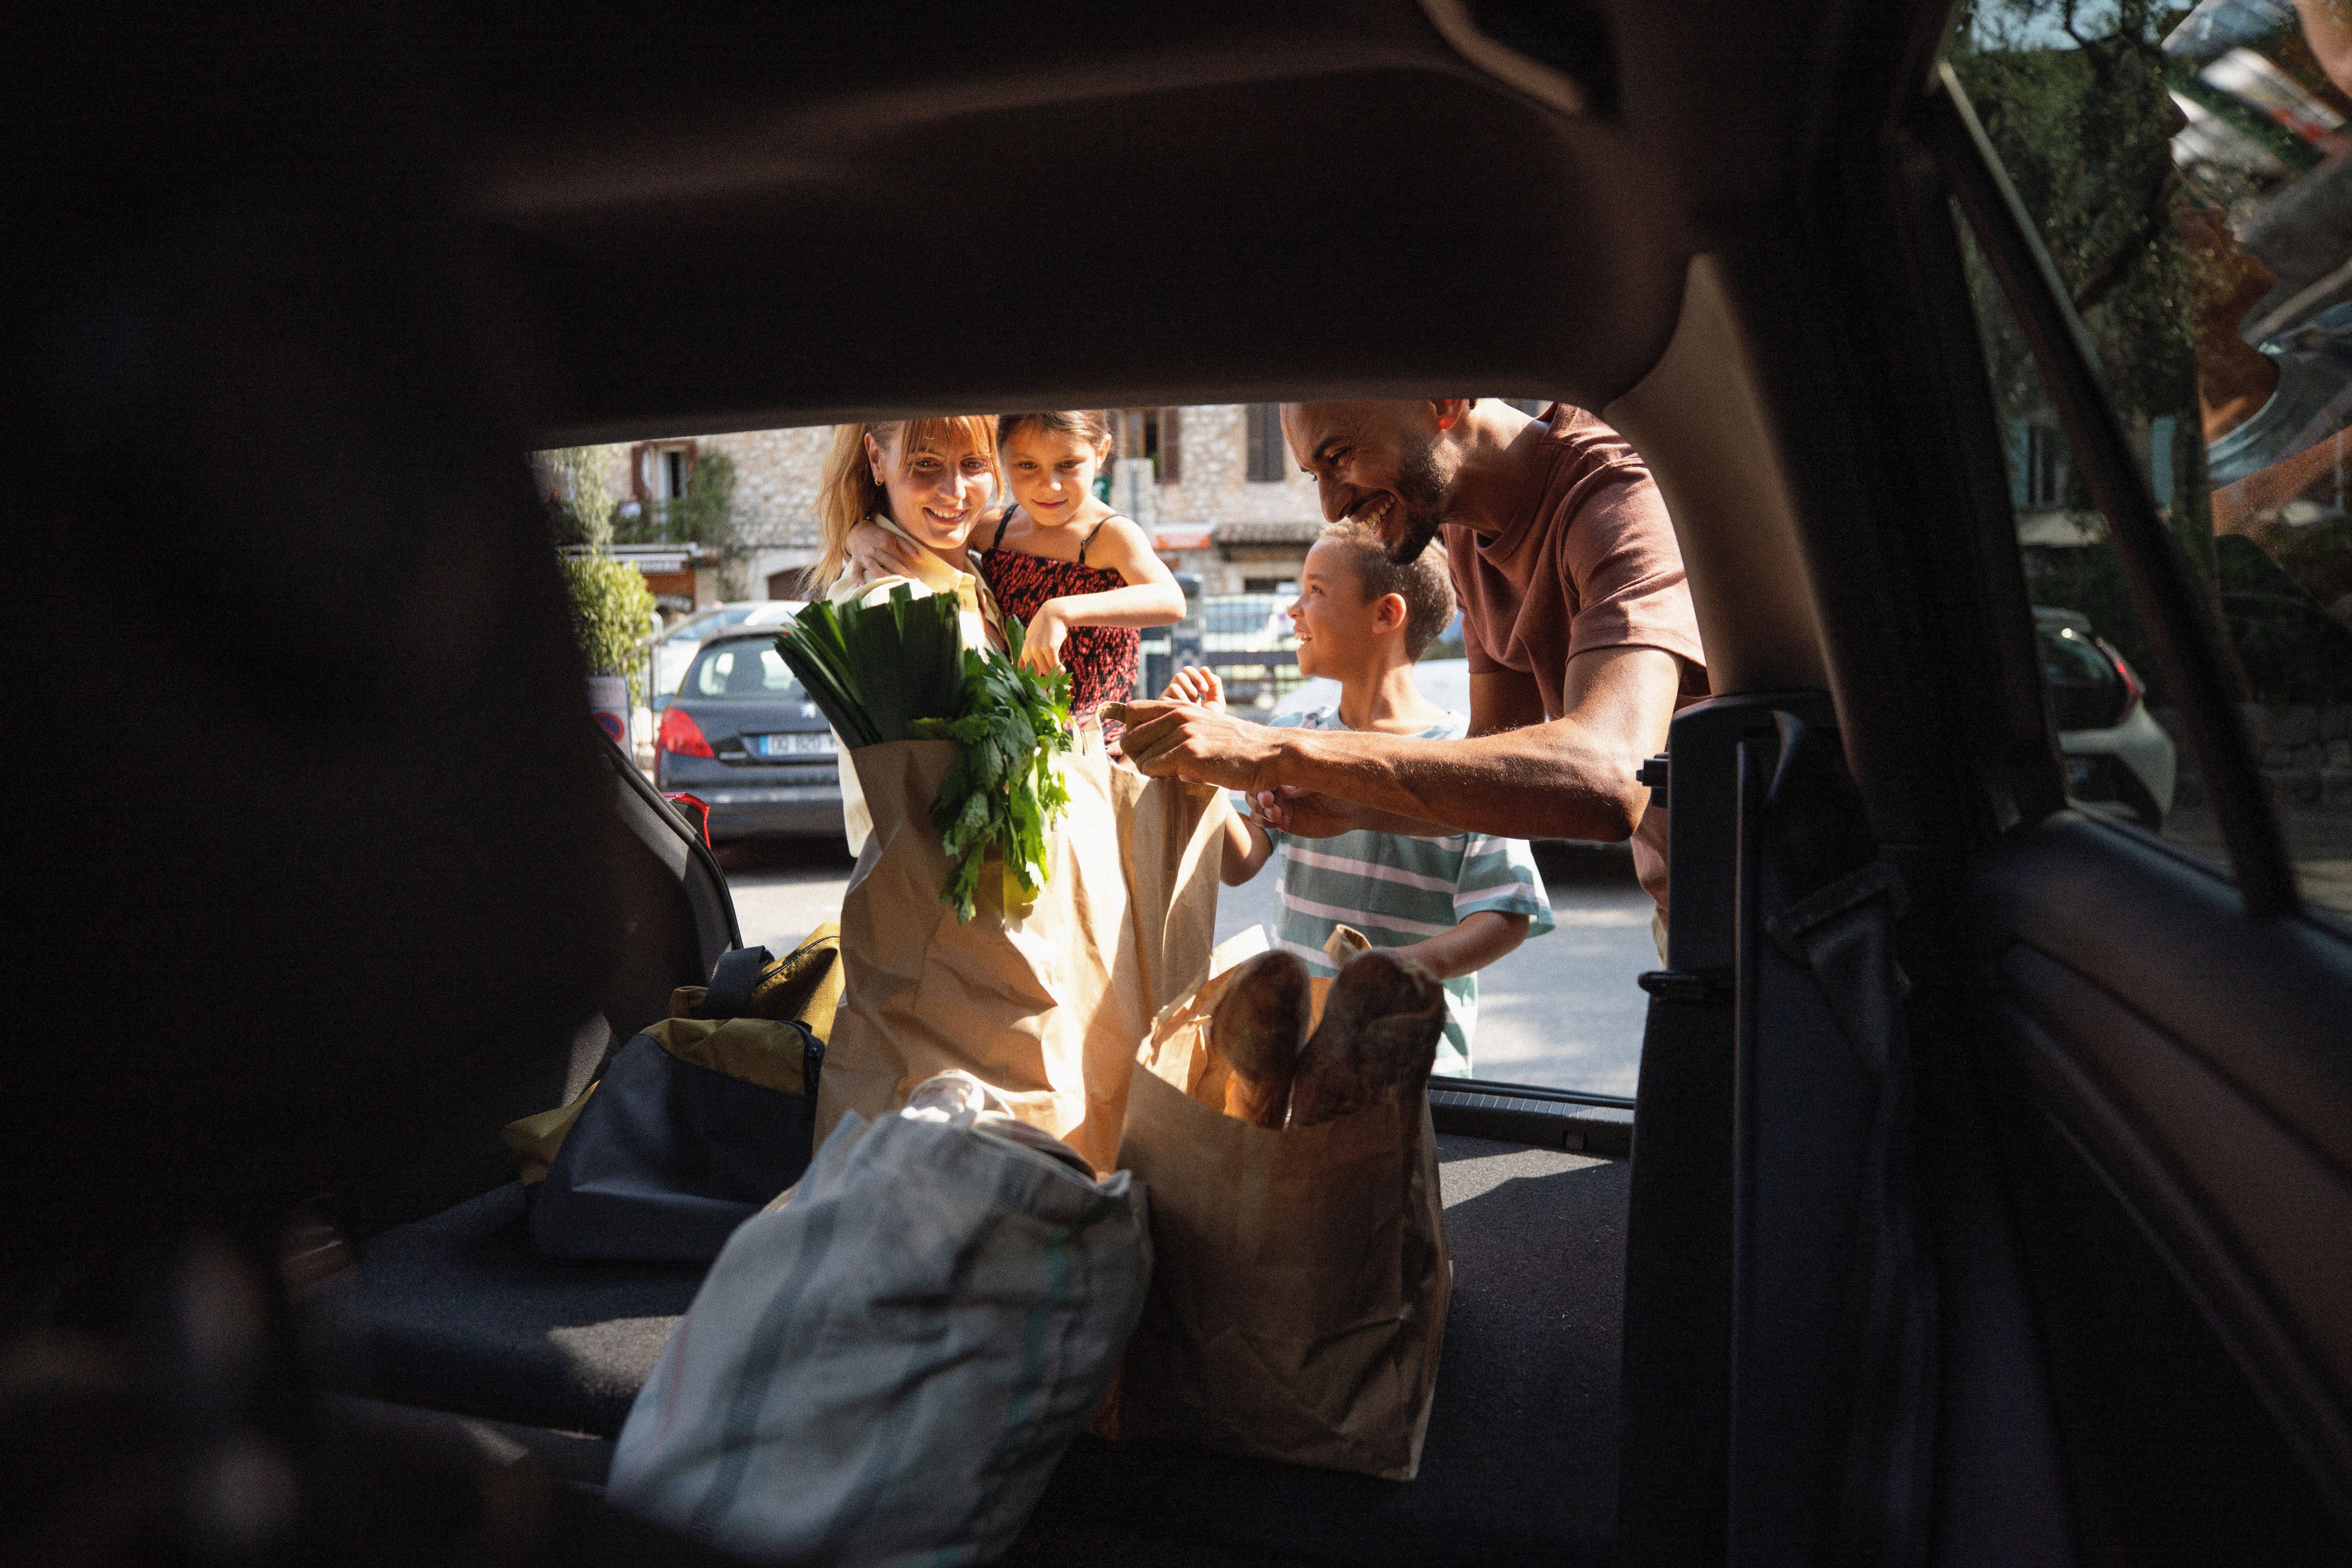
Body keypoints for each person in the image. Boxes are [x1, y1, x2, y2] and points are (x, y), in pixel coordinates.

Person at [1110, 398, 1707, 955]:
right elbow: (1491, 791)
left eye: (1340, 457)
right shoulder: (1467, 536)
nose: (1331, 507)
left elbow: (1609, 780)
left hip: (1776, 915)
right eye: (1313, 476)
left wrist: (1279, 751)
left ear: (1445, 399)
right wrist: (1356, 807)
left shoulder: (1617, 499)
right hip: (1686, 914)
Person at [1174, 519, 1552, 1077]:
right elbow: (1239, 863)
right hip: (1304, 1048)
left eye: (1317, 591)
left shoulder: (1465, 757)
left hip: (1417, 1062)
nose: (1294, 609)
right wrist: (1208, 761)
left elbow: (1507, 912)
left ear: (1386, 614)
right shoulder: (1292, 734)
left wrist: (1405, 967)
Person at [845, 411, 1186, 732]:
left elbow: (1171, 600)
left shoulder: (1109, 535)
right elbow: (927, 529)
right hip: (1027, 728)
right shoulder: (995, 529)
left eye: (1067, 465)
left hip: (1099, 730)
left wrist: (1061, 611)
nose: (1049, 485)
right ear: (1002, 461)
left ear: (1101, 453)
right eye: (1027, 465)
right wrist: (858, 534)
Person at [813, 416, 1008, 851]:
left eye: (974, 463)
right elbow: (946, 802)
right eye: (926, 464)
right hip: (941, 908)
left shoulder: (977, 576)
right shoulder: (885, 607)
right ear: (876, 459)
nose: (954, 491)